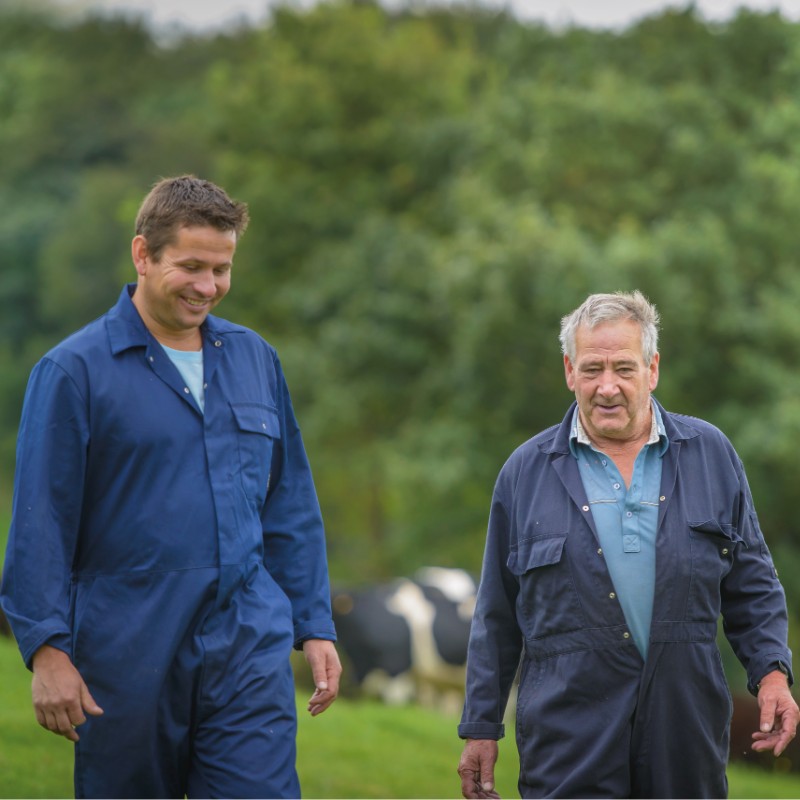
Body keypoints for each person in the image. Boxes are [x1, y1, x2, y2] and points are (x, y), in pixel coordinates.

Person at [0, 175, 341, 799]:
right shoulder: (73, 372)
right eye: (190, 266)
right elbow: (40, 521)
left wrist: (314, 623)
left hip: (246, 649)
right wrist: (46, 650)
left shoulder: (255, 359)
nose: (208, 287)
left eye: (222, 269)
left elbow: (289, 502)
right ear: (142, 255)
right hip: (124, 657)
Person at [457, 290, 798, 799]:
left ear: (652, 368)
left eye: (623, 368)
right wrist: (481, 726)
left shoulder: (711, 454)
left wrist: (772, 674)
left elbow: (753, 585)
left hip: (686, 727)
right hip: (568, 732)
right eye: (592, 369)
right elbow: (496, 616)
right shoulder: (523, 475)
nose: (607, 387)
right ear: (569, 371)